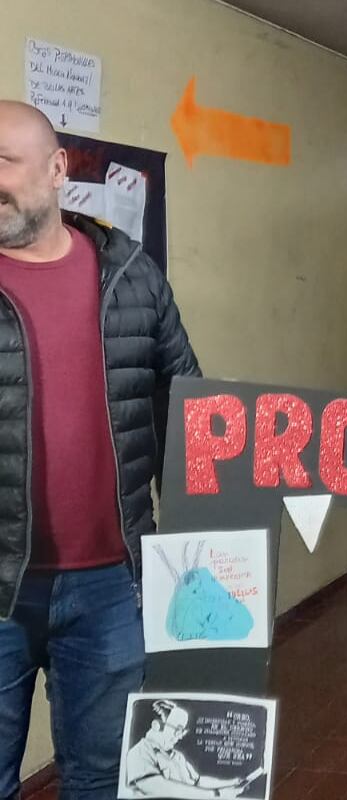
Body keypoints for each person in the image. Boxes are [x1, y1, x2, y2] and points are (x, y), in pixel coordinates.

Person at [0, 100, 201, 800]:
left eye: (4, 162)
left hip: (114, 588)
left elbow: (190, 412)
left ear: (57, 170)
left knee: (103, 778)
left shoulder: (130, 275)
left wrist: (207, 556)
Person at [123, 701, 252, 798]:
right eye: (177, 730)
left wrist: (231, 783)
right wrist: (216, 795)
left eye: (182, 732)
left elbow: (198, 781)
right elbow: (159, 787)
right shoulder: (139, 753)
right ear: (157, 726)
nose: (179, 737)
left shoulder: (177, 757)